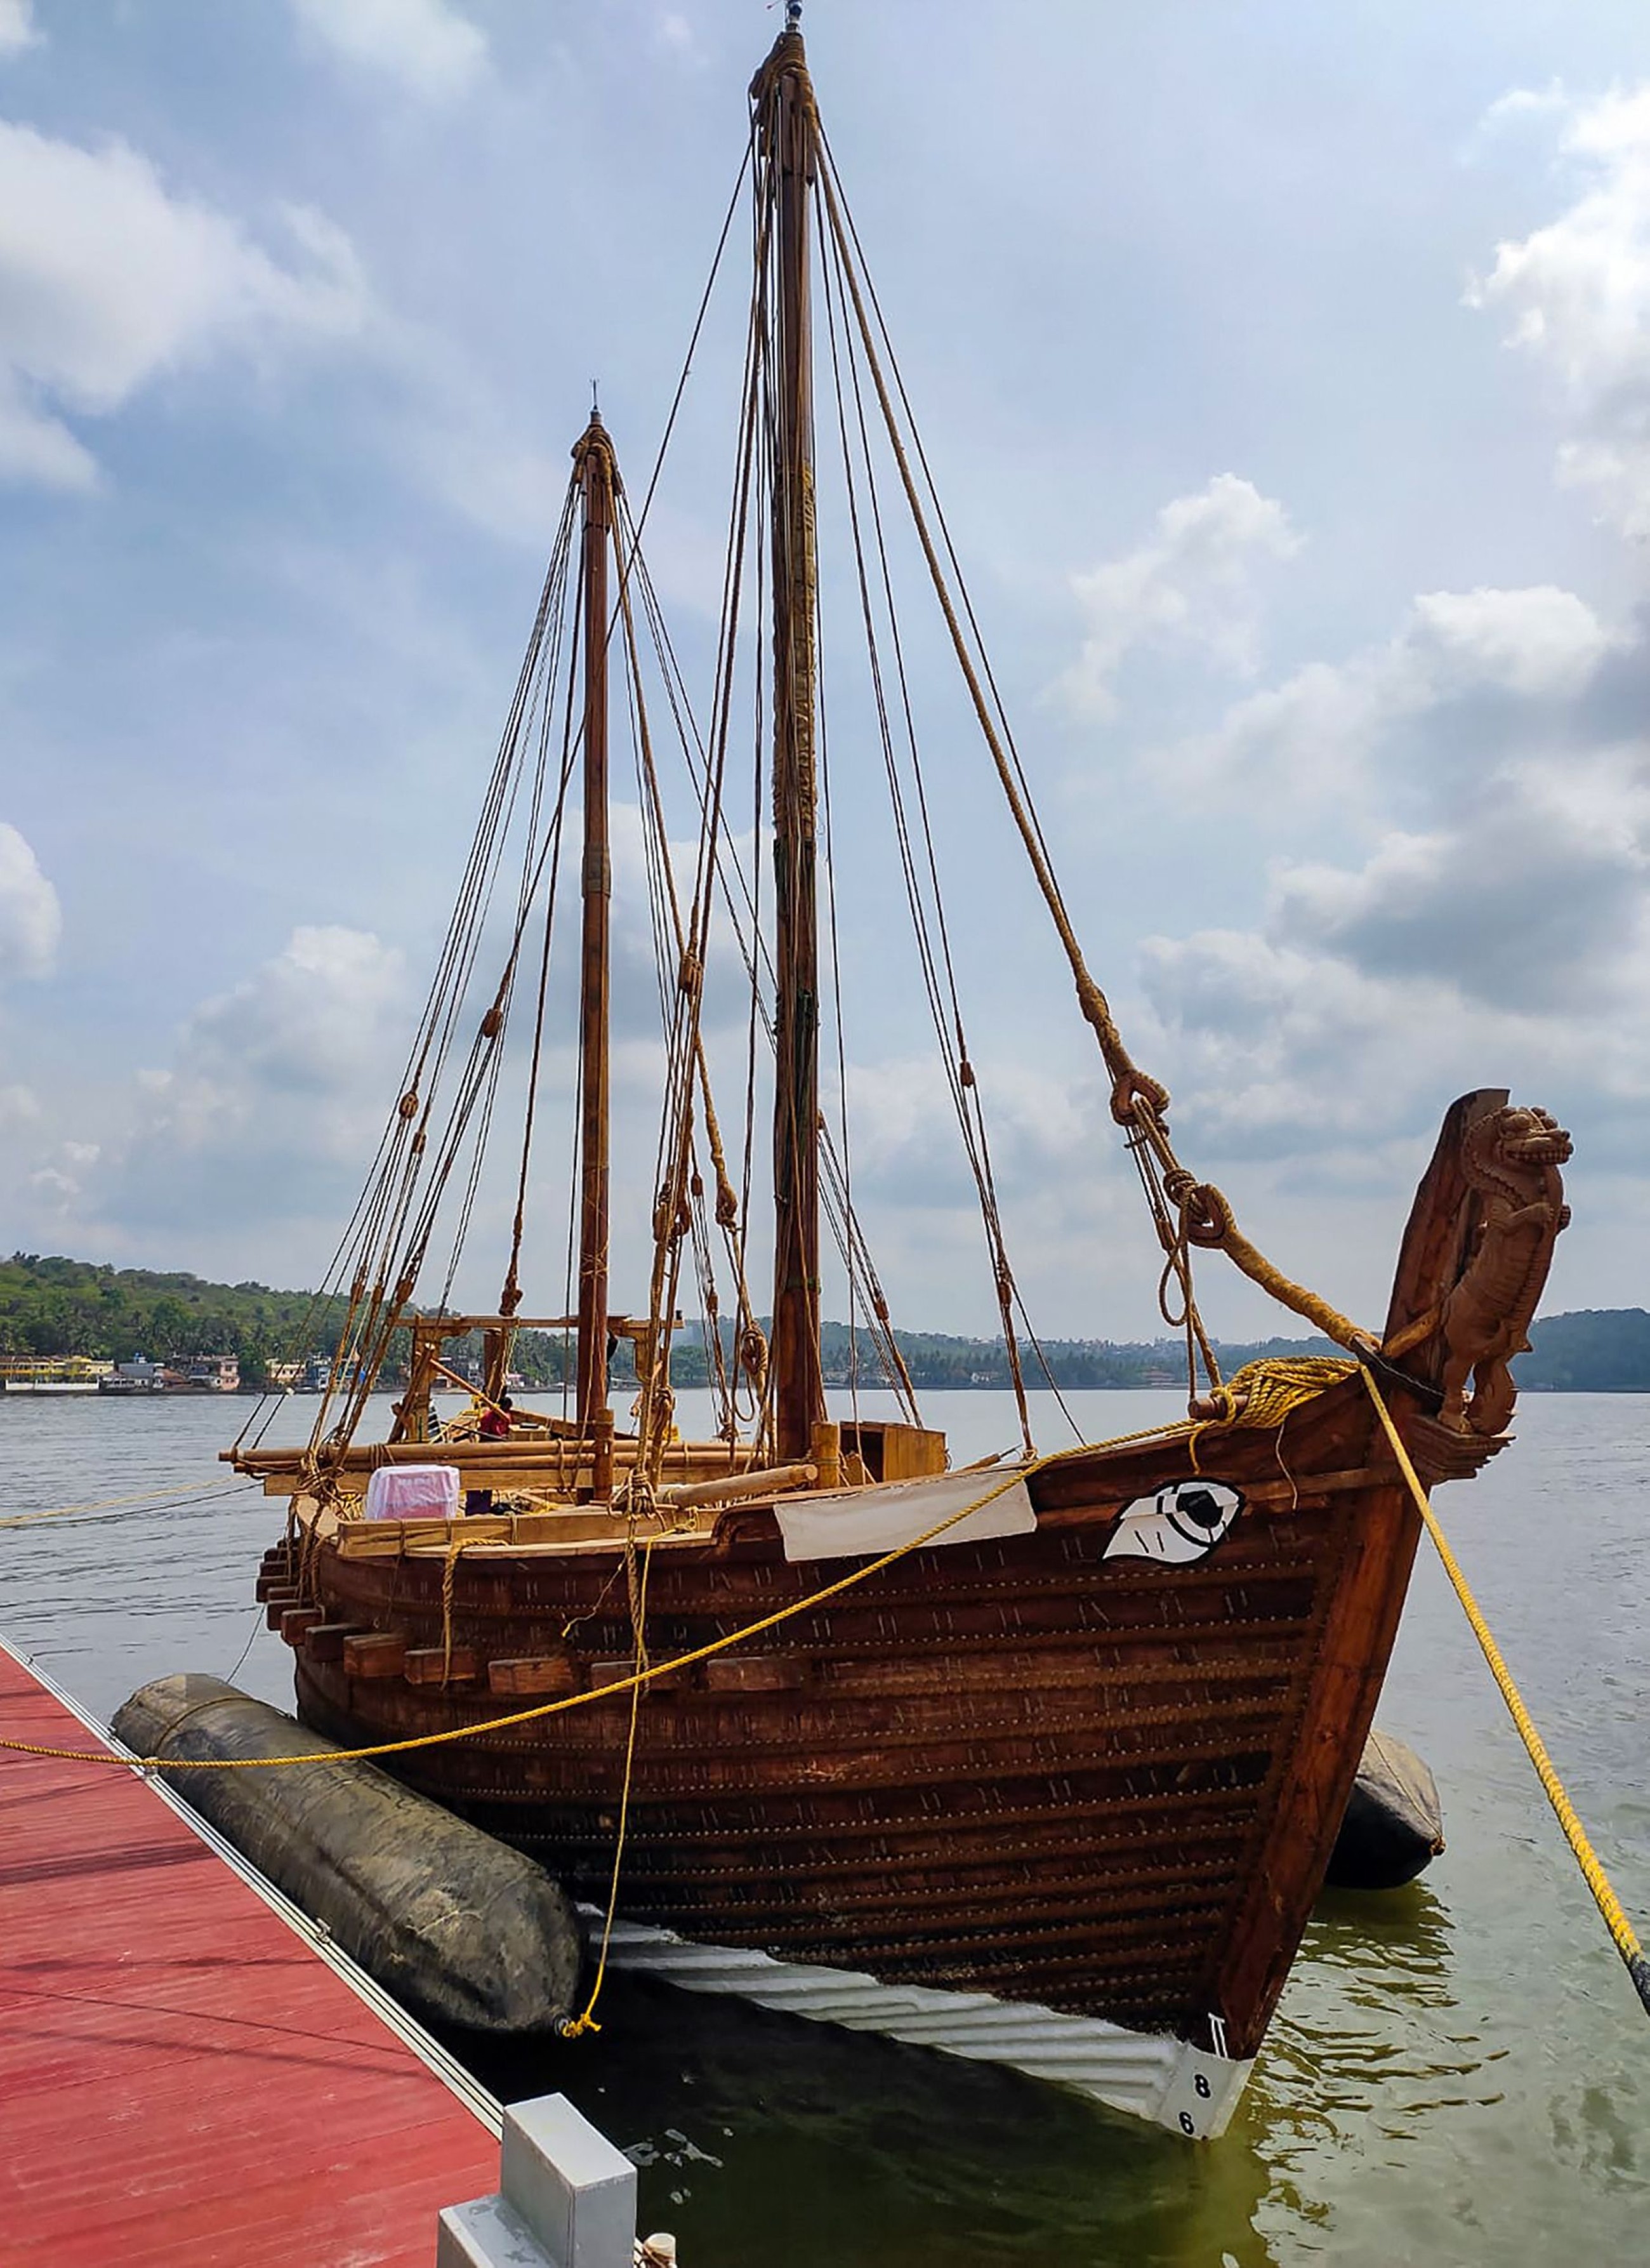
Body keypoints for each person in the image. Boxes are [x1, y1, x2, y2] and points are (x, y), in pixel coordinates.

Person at [466, 1393, 513, 1515]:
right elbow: (489, 1432)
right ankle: (475, 1508)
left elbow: (506, 1429)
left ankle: (484, 1506)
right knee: (479, 1481)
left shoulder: (506, 1416)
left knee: (487, 1484)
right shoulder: (489, 1417)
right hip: (486, 1447)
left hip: (496, 1449)